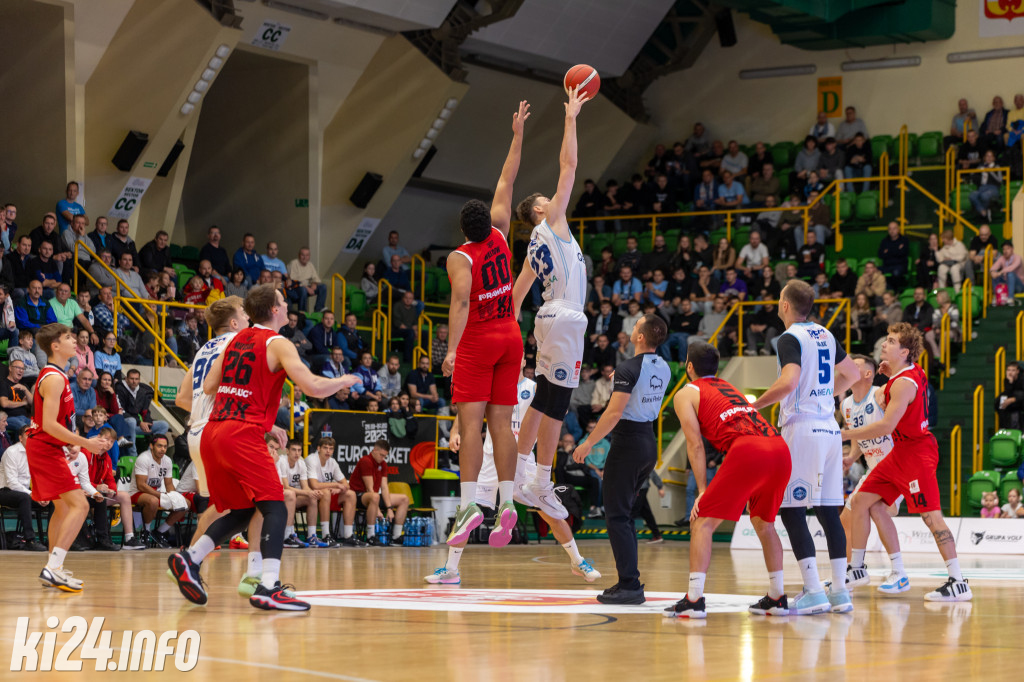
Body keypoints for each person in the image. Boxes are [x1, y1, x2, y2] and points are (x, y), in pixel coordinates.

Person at [166, 285, 361, 611]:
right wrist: (343, 381)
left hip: (213, 432)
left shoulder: (235, 340)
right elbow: (312, 386)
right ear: (274, 309)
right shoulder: (277, 342)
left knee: (244, 509)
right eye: (283, 302)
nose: (287, 307)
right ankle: (268, 585)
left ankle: (191, 558)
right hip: (242, 433)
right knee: (275, 506)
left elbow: (209, 386)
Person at [441, 101, 536, 548]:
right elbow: (507, 179)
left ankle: (468, 507)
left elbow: (461, 301)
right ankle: (508, 501)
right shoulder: (500, 232)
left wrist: (451, 349)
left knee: (471, 425)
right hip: (511, 337)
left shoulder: (460, 256)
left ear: (463, 228)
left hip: (479, 340)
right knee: (502, 424)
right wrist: (517, 135)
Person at [429, 362, 601, 584]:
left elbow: (557, 411)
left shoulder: (534, 387)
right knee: (467, 511)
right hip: (490, 459)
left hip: (523, 460)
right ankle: (451, 570)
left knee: (549, 512)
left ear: (523, 361)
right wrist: (455, 431)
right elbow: (467, 410)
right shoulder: (492, 386)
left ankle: (578, 561)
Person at [506, 89, 592, 525]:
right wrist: (571, 117)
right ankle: (537, 479)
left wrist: (513, 344)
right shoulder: (553, 221)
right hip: (566, 316)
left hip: (546, 318)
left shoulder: (531, 250)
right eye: (548, 198)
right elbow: (569, 165)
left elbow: (515, 298)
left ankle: (526, 474)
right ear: (541, 208)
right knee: (557, 402)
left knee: (546, 397)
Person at [842, 323, 972, 602]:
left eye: (891, 341)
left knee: (931, 517)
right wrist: (890, 374)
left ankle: (959, 582)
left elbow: (886, 426)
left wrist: (846, 434)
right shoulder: (908, 372)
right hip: (899, 452)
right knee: (861, 501)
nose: (884, 344)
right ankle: (857, 569)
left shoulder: (902, 383)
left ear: (903, 351)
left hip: (916, 454)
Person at [752, 280, 860, 615]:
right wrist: (825, 394)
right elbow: (852, 374)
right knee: (829, 512)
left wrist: (754, 406)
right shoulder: (825, 333)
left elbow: (789, 382)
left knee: (792, 510)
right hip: (829, 429)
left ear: (785, 305)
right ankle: (839, 591)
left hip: (802, 429)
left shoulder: (790, 337)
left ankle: (813, 591)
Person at [663, 340, 791, 618]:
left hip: (748, 450)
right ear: (717, 368)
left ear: (689, 367)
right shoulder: (729, 387)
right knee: (764, 523)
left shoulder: (686, 392)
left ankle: (694, 599)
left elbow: (695, 445)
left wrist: (701, 490)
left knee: (701, 521)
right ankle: (777, 596)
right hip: (779, 447)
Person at [572, 314, 670, 605]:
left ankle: (630, 585)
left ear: (639, 337)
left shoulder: (628, 368)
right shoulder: (663, 366)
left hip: (628, 443)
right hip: (648, 442)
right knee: (624, 515)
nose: (632, 327)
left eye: (636, 325)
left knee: (616, 515)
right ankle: (629, 581)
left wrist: (588, 442)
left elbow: (614, 413)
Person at [173, 296, 256, 572]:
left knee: (221, 506)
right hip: (220, 430)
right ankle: (259, 574)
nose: (248, 318)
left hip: (197, 431)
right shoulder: (239, 342)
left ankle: (188, 561)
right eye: (244, 314)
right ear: (234, 323)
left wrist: (202, 411)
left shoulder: (202, 350)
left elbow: (182, 398)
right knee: (261, 499)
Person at [25, 324, 109, 591]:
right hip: (44, 448)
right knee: (80, 506)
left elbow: (57, 422)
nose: (75, 342)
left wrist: (69, 442)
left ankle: (54, 568)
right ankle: (53, 568)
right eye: (68, 338)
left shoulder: (57, 375)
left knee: (62, 509)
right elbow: (48, 424)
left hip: (47, 447)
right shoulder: (55, 378)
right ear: (55, 346)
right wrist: (85, 443)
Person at [838, 355, 908, 593]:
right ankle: (851, 572)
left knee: (875, 508)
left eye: (855, 365)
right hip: (873, 469)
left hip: (896, 465)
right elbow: (859, 435)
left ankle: (897, 572)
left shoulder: (880, 394)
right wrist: (851, 457)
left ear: (868, 374)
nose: (848, 366)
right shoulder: (846, 405)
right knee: (845, 520)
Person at [348, 440, 409, 546]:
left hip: (373, 496)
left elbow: (384, 487)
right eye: (381, 455)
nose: (383, 458)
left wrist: (389, 508)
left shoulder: (383, 464)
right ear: (374, 450)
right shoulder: (366, 461)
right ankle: (371, 536)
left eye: (385, 456)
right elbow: (369, 488)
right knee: (375, 497)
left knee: (404, 499)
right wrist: (377, 509)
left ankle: (396, 536)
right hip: (357, 496)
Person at [304, 436, 361, 547]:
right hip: (310, 495)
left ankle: (348, 536)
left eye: (331, 449)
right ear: (318, 448)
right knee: (326, 492)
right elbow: (314, 485)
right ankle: (326, 535)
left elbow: (346, 485)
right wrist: (335, 484)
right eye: (325, 448)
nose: (328, 451)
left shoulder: (332, 462)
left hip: (325, 495)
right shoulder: (311, 459)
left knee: (350, 494)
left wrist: (338, 488)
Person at [0, 427, 48, 551]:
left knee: (54, 499)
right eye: (28, 435)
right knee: (24, 498)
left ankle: (51, 539)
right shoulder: (11, 452)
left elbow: (40, 478)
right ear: (20, 438)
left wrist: (43, 494)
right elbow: (12, 483)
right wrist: (33, 494)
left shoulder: (36, 453)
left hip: (25, 492)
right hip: (4, 491)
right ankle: (30, 540)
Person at [277, 439, 318, 547]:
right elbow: (285, 487)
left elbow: (305, 487)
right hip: (278, 497)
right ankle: (287, 536)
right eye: (294, 450)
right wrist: (306, 492)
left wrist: (313, 492)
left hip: (292, 497)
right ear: (287, 451)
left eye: (299, 450)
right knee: (291, 494)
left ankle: (312, 536)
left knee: (312, 498)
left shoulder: (301, 463)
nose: (297, 453)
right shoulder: (282, 461)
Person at [116, 369, 169, 436]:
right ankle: (131, 443)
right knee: (132, 421)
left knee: (164, 425)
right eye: (132, 379)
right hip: (125, 424)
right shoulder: (119, 388)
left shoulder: (142, 390)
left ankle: (154, 442)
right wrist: (139, 423)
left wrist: (147, 423)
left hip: (138, 424)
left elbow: (145, 411)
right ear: (126, 379)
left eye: (136, 379)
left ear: (139, 380)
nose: (134, 381)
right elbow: (121, 411)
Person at [287, 247, 327, 312]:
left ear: (309, 256)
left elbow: (316, 278)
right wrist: (307, 288)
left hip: (307, 287)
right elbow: (293, 281)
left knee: (323, 286)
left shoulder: (310, 265)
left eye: (307, 255)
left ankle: (319, 309)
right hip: (295, 288)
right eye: (302, 255)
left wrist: (314, 283)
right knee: (303, 289)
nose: (305, 257)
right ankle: (302, 312)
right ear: (299, 255)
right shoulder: (293, 263)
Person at [0, 359, 34, 433]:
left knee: (39, 427)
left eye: (23, 369)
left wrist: (25, 389)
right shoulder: (3, 383)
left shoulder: (23, 386)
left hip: (24, 417)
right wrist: (23, 403)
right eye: (18, 368)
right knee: (24, 428)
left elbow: (33, 403)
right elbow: (4, 403)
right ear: (10, 368)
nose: (21, 371)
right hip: (9, 418)